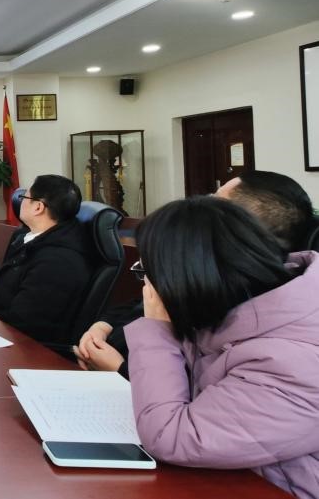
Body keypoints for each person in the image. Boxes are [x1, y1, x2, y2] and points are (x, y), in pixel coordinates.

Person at [124, 197, 319, 498]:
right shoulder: (233, 309)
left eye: (145, 271)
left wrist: (157, 330)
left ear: (185, 275)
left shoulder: (290, 362)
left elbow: (171, 436)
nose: (147, 286)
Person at [77, 170, 317, 375]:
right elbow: (141, 304)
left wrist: (119, 369)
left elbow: (191, 393)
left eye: (215, 199)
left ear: (237, 226)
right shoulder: (205, 273)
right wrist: (103, 326)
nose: (202, 203)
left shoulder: (245, 308)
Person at [0, 174, 91, 347]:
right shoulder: (28, 239)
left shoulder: (57, 262)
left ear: (38, 207)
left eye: (24, 197)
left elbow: (25, 325)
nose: (20, 202)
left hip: (20, 349)